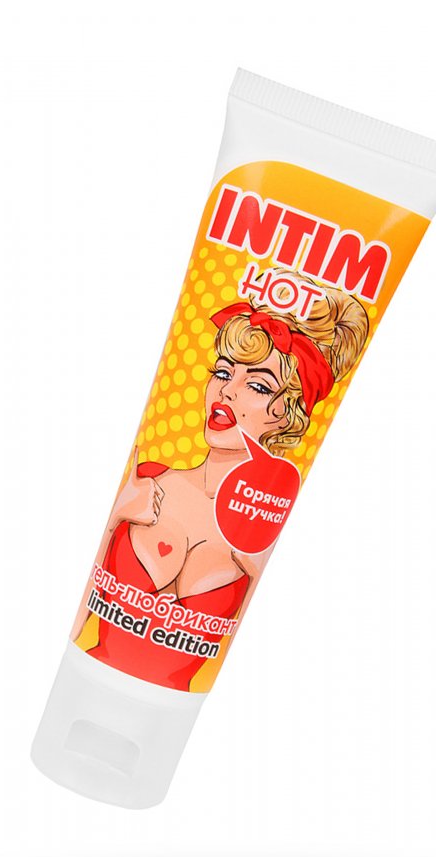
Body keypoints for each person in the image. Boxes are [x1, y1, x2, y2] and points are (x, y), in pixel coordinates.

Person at [72, 270, 369, 690]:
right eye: (224, 372)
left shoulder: (256, 534)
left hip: (178, 701)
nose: (227, 392)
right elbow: (83, 619)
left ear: (285, 414)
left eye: (258, 386)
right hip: (84, 672)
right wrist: (119, 512)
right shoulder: (148, 480)